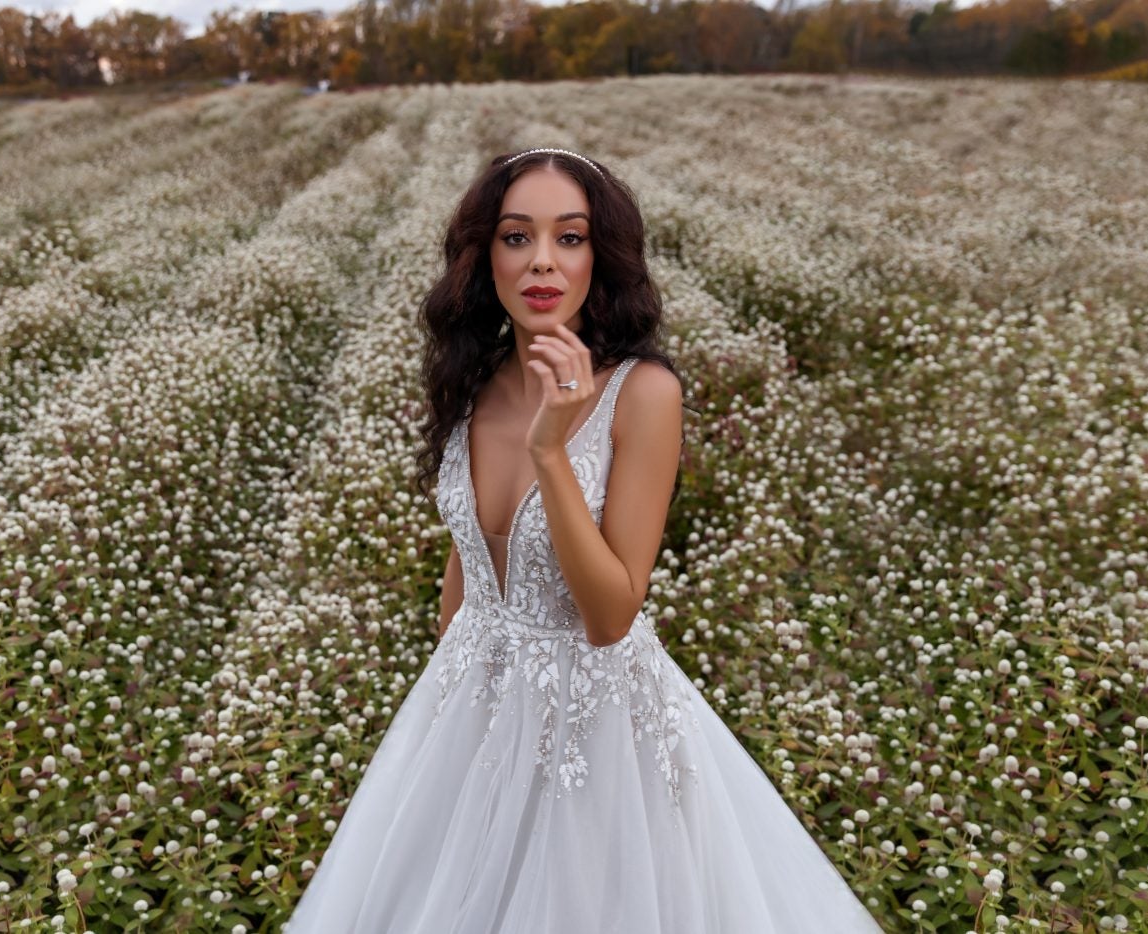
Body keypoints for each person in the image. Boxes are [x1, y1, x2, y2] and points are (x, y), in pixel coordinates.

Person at [281, 148, 885, 933]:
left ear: (601, 259)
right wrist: (453, 735)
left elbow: (610, 617)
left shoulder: (644, 392)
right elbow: (463, 583)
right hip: (471, 718)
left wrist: (551, 451)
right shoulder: (473, 380)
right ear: (483, 256)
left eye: (569, 238)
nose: (541, 261)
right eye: (515, 236)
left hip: (598, 743)